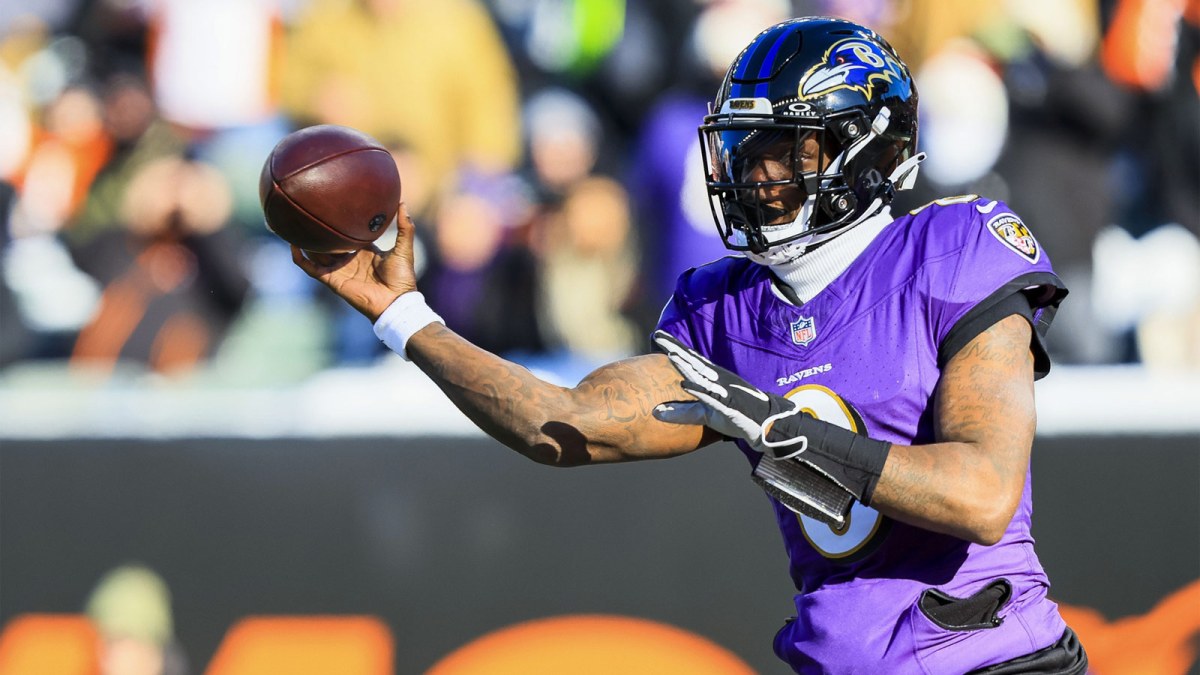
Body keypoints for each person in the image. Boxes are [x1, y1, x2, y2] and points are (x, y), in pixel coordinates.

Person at [292, 17, 1086, 674]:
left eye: (782, 146)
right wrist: (404, 315)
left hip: (993, 659)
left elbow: (983, 493)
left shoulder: (953, 247)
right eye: (743, 146)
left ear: (862, 148)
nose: (752, 171)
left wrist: (780, 428)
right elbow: (562, 421)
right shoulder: (726, 308)